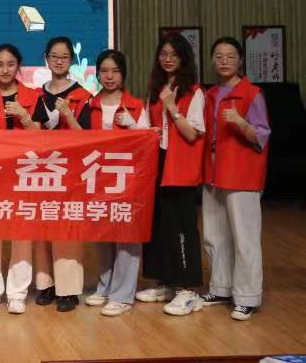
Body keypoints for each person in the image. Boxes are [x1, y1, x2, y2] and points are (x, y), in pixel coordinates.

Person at [136, 34, 207, 316]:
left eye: (174, 54)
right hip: (158, 164)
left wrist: (173, 108)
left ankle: (188, 289)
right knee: (159, 226)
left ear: (184, 58)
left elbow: (192, 134)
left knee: (182, 227)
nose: (167, 59)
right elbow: (147, 129)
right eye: (163, 53)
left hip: (181, 167)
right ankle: (166, 282)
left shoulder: (194, 92)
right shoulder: (155, 90)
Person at [201, 37, 271, 321]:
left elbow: (262, 136)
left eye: (230, 56)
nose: (224, 61)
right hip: (212, 171)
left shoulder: (252, 94)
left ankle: (247, 296)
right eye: (218, 56)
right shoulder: (210, 94)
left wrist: (241, 122)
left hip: (241, 172)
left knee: (245, 237)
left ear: (240, 60)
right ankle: (220, 288)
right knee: (214, 234)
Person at [77, 50, 150, 317]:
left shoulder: (136, 106)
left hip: (129, 182)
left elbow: (149, 143)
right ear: (97, 73)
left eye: (115, 71)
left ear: (123, 73)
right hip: (98, 180)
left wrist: (133, 126)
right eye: (104, 71)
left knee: (127, 237)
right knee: (103, 236)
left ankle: (123, 295)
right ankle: (105, 286)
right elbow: (79, 142)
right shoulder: (89, 104)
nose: (109, 76)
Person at [0, 43, 41, 315]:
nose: (5, 69)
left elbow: (41, 136)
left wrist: (24, 117)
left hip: (24, 171)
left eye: (10, 64)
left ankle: (17, 293)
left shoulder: (33, 95)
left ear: (18, 66)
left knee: (21, 231)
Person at [30, 36, 91, 312]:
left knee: (67, 230)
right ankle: (46, 285)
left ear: (71, 60)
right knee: (42, 228)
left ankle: (69, 290)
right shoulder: (36, 95)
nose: (59, 61)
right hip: (41, 170)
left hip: (71, 172)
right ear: (46, 58)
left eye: (64, 57)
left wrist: (68, 115)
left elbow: (87, 139)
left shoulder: (83, 96)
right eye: (54, 56)